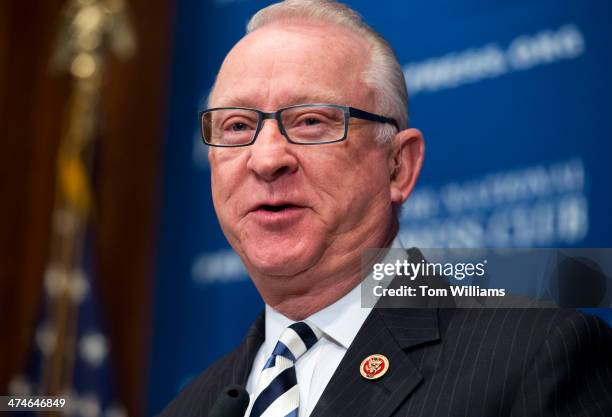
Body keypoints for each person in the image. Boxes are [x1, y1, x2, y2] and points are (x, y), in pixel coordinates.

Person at [159, 1, 612, 416]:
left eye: (312, 121)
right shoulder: (190, 406)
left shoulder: (537, 355)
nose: (266, 159)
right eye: (237, 126)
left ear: (399, 167)